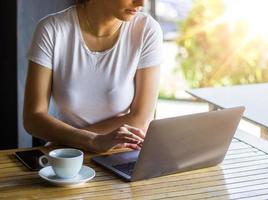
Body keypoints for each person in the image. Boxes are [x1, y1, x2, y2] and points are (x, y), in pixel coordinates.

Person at [23, 0, 163, 153]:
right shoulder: (52, 29)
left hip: (118, 152)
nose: (141, 2)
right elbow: (33, 118)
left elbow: (141, 120)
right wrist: (93, 141)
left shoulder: (146, 30)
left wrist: (72, 142)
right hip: (70, 156)